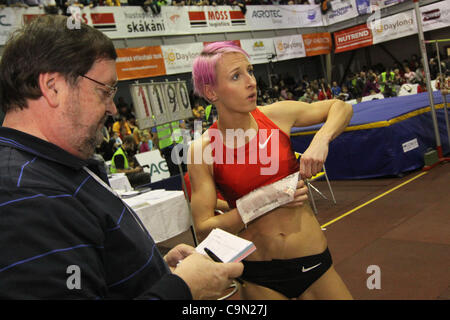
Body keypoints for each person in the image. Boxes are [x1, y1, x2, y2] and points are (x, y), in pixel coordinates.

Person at [0, 15, 243, 300]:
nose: (113, 108)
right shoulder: (23, 193)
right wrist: (182, 289)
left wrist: (153, 273)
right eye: (105, 90)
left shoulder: (53, 166)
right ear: (53, 87)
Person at [188, 41, 353, 300]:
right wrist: (266, 199)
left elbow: (341, 107)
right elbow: (204, 229)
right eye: (236, 76)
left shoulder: (276, 115)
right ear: (211, 92)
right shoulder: (202, 151)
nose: (251, 81)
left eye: (250, 71)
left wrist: (321, 139)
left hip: (313, 263)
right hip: (259, 275)